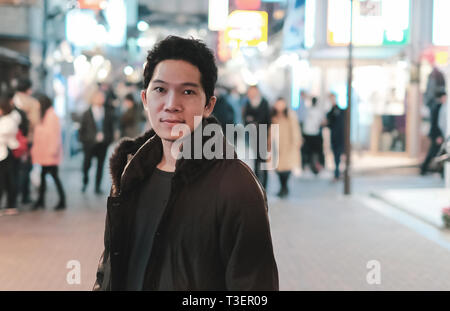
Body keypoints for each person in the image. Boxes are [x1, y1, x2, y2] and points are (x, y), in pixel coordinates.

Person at [93, 36, 278, 291]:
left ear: (208, 105)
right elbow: (108, 269)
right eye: (160, 90)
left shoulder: (237, 187)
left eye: (188, 92)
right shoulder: (130, 171)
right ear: (145, 99)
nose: (171, 105)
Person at [30, 94, 66, 210]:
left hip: (50, 154)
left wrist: (52, 151)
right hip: (45, 153)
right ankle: (41, 200)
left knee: (54, 176)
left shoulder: (51, 116)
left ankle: (61, 200)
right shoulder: (45, 115)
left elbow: (55, 136)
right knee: (46, 176)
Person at [79, 89, 115, 194]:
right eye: (99, 97)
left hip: (103, 145)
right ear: (93, 98)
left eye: (102, 97)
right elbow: (82, 130)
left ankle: (97, 187)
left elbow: (110, 128)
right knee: (86, 165)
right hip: (89, 144)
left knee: (100, 166)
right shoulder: (87, 113)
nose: (101, 99)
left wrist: (109, 140)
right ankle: (85, 181)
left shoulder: (108, 112)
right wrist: (85, 141)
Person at [13, 78, 40, 204]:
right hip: (26, 139)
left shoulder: (11, 99)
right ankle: (23, 195)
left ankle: (12, 194)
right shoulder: (33, 103)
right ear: (28, 89)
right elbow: (35, 122)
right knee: (25, 167)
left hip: (10, 138)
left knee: (12, 167)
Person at [271, 97, 301, 198]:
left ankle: (285, 187)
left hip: (287, 144)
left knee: (287, 168)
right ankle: (282, 187)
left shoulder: (290, 115)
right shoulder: (273, 116)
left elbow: (295, 130)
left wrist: (295, 142)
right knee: (278, 169)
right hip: (276, 145)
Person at [243, 85, 271, 189]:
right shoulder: (248, 103)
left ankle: (264, 185)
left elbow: (265, 118)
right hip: (253, 135)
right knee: (256, 160)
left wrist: (253, 120)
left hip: (264, 135)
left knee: (263, 161)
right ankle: (257, 184)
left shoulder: (264, 102)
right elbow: (246, 118)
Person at [0, 91, 20, 216]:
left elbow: (4, 135)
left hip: (7, 153)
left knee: (8, 180)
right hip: (3, 153)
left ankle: (11, 205)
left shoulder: (10, 119)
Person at [420, 91, 447, 175]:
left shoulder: (438, 106)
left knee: (437, 152)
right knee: (433, 152)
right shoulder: (437, 107)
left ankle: (439, 170)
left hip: (436, 134)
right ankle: (424, 168)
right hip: (436, 134)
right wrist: (438, 136)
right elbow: (436, 123)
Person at [302, 97, 325, 175]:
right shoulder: (317, 111)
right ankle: (313, 166)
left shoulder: (308, 110)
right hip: (313, 134)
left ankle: (308, 166)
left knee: (309, 152)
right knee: (316, 151)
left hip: (309, 133)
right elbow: (322, 122)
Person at [326, 93, 346, 182]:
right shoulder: (330, 112)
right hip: (334, 136)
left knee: (341, 156)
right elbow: (329, 124)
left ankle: (339, 174)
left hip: (341, 136)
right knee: (336, 156)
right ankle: (337, 173)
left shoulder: (341, 111)